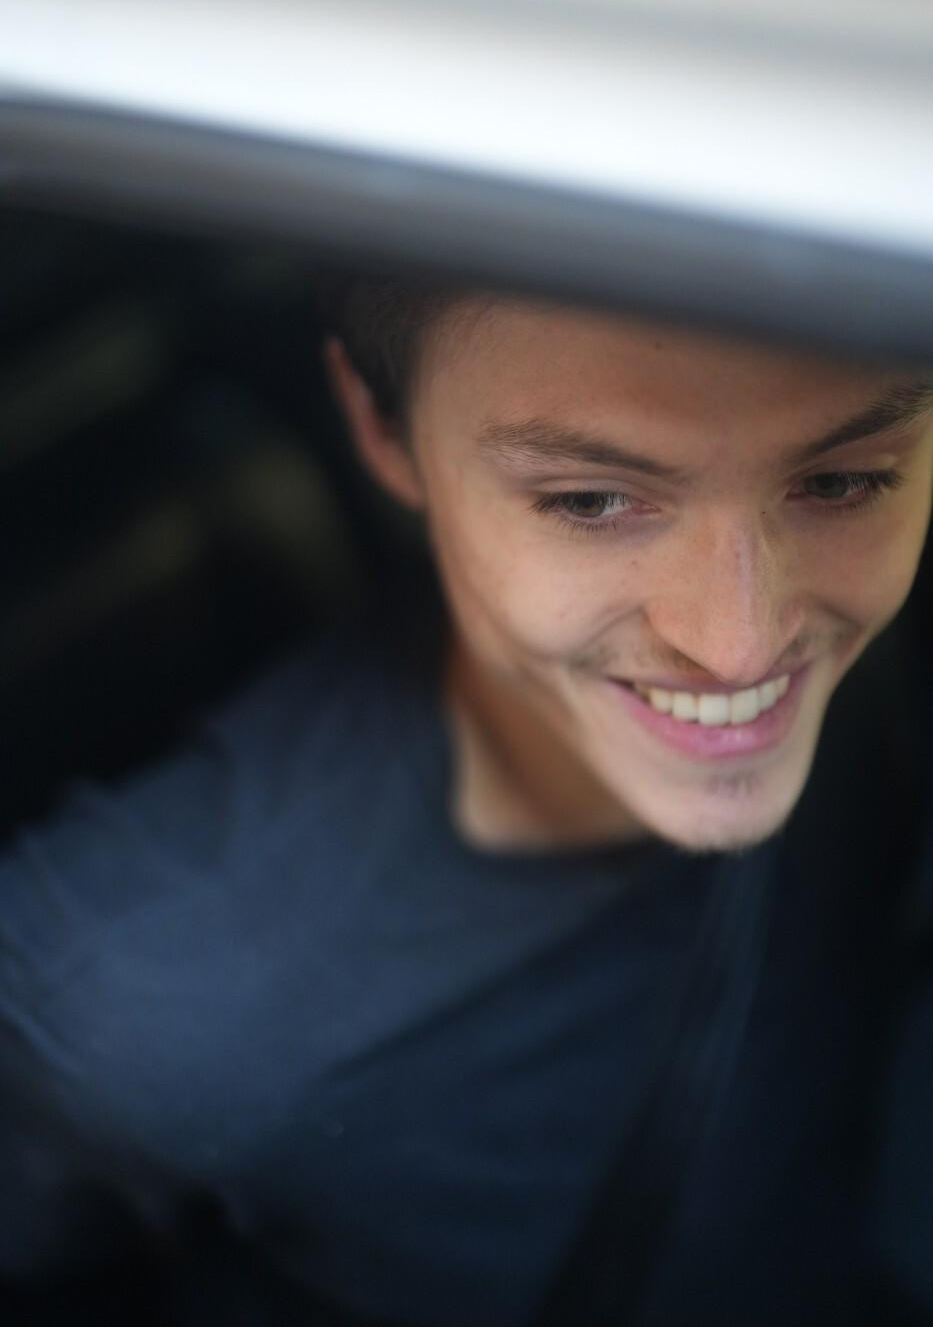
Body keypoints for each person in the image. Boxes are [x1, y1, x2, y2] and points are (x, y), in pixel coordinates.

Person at [0, 278, 931, 1326]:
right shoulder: (137, 1003)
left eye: (843, 483)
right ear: (379, 425)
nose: (740, 645)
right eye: (589, 501)